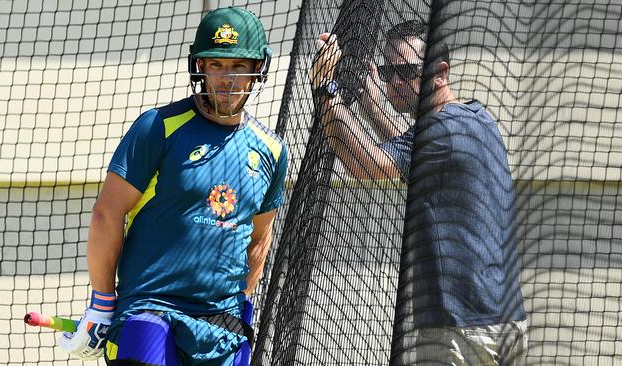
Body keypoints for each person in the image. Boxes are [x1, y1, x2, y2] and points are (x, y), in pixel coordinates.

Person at [57, 6, 288, 366]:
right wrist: (102, 305)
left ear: (258, 69)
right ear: (199, 67)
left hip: (221, 325)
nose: (228, 78)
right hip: (151, 311)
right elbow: (107, 212)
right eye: (217, 65)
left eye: (239, 65)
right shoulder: (159, 127)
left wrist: (239, 304)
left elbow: (260, 239)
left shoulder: (272, 149)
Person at [310, 20, 528, 364]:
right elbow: (411, 148)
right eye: (388, 72)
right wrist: (370, 100)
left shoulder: (440, 132)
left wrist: (325, 88)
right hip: (502, 322)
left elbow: (369, 166)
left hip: (461, 329)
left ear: (439, 73)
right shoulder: (473, 118)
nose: (396, 82)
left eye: (407, 71)